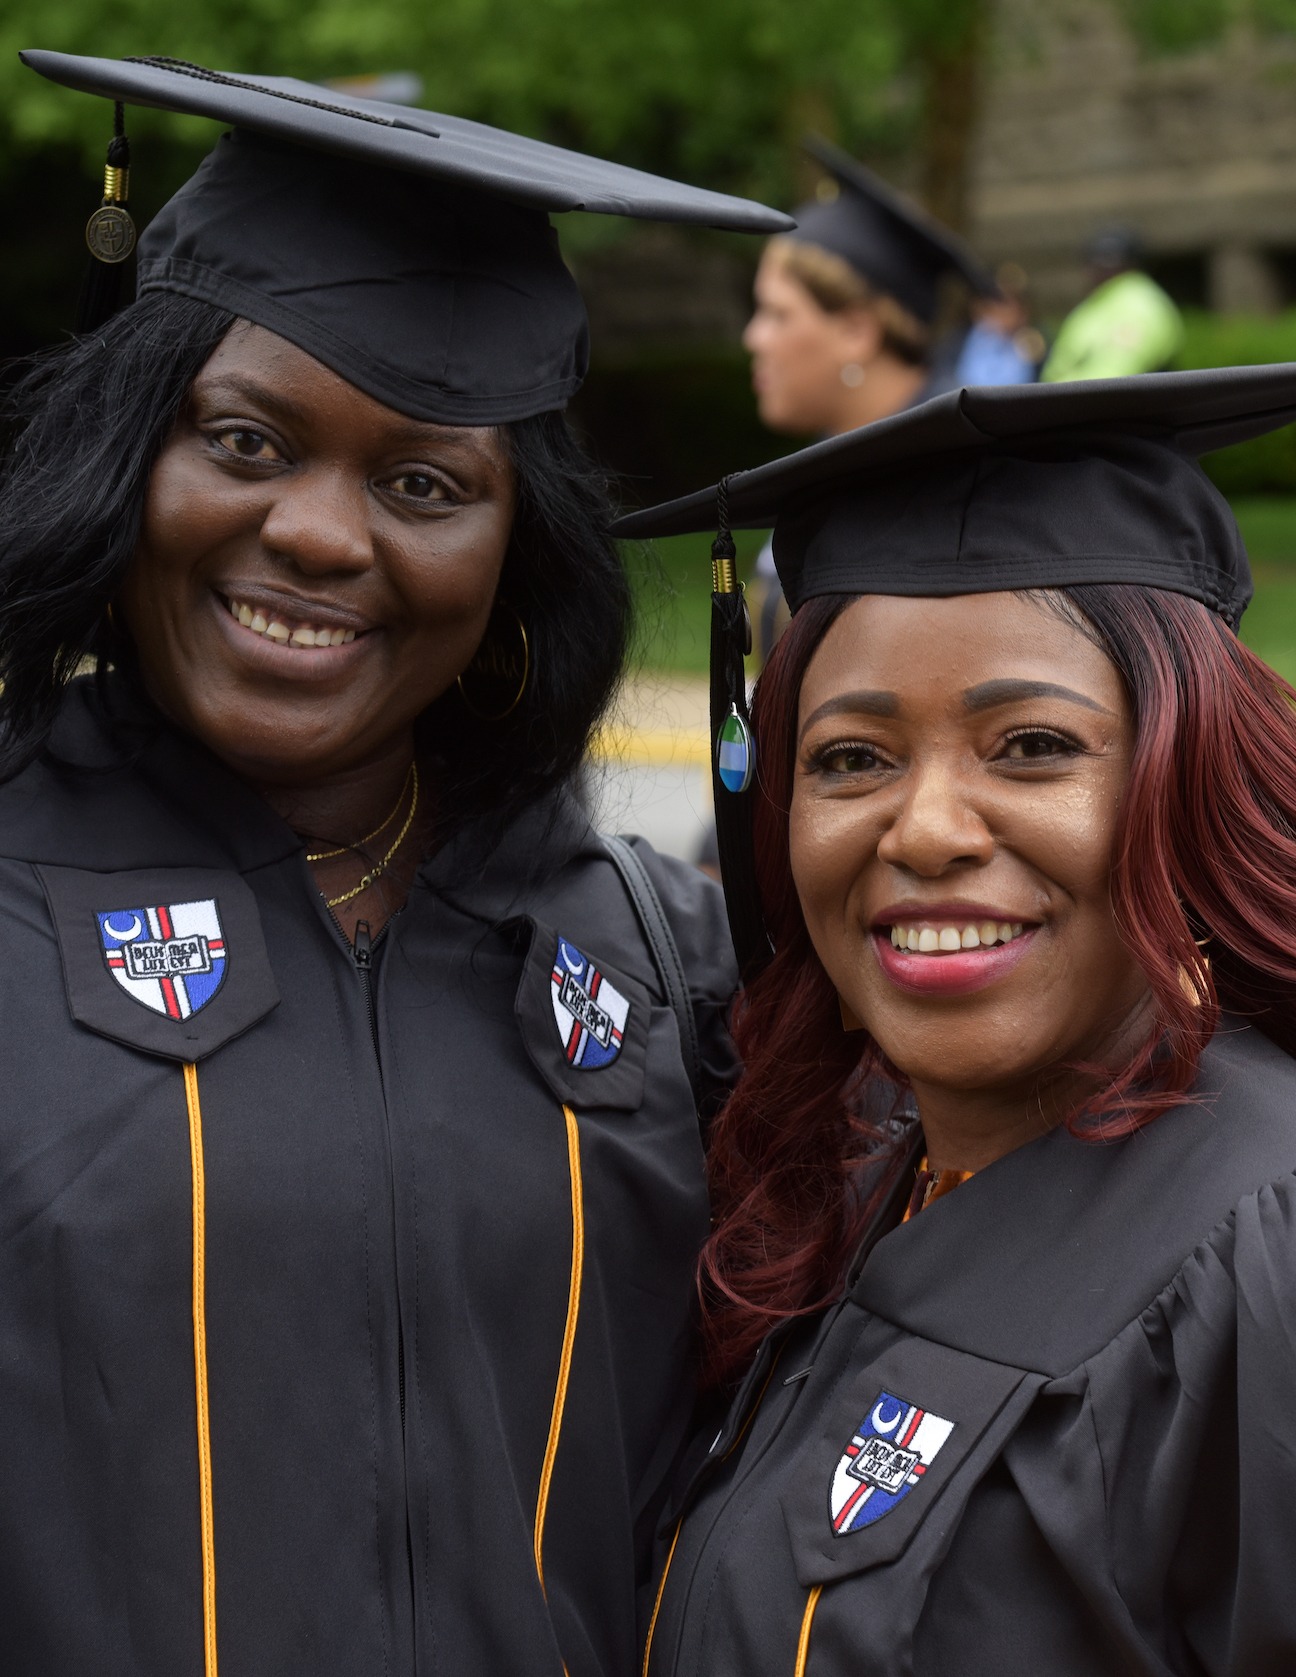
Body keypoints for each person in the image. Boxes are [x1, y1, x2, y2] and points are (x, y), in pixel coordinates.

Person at [613, 363, 1296, 1676]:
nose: (922, 830)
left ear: (1192, 784)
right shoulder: (868, 1174)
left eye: (1030, 745)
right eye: (850, 758)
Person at [0, 50, 788, 1674]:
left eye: (425, 482)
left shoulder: (651, 962)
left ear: (515, 555)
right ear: (131, 453)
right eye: (246, 439)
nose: (321, 532)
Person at [740, 136, 1000, 657]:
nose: (753, 338)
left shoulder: (955, 493)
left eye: (777, 314)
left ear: (858, 331)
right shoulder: (836, 467)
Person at [1039, 225, 1183, 383]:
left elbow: (1112, 380)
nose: (1097, 270)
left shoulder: (1140, 304)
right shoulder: (1098, 302)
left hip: (1117, 405)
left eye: (1110, 262)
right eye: (1096, 262)